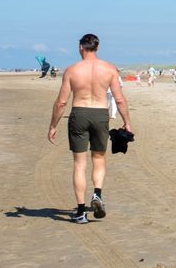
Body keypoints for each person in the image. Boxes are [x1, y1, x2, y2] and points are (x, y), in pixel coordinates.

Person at [47, 34, 132, 224]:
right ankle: (97, 195)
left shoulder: (72, 70)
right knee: (99, 158)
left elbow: (61, 103)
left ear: (80, 48)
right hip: (100, 114)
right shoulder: (109, 69)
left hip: (79, 113)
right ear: (98, 47)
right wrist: (127, 122)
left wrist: (53, 126)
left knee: (79, 163)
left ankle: (80, 212)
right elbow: (119, 99)